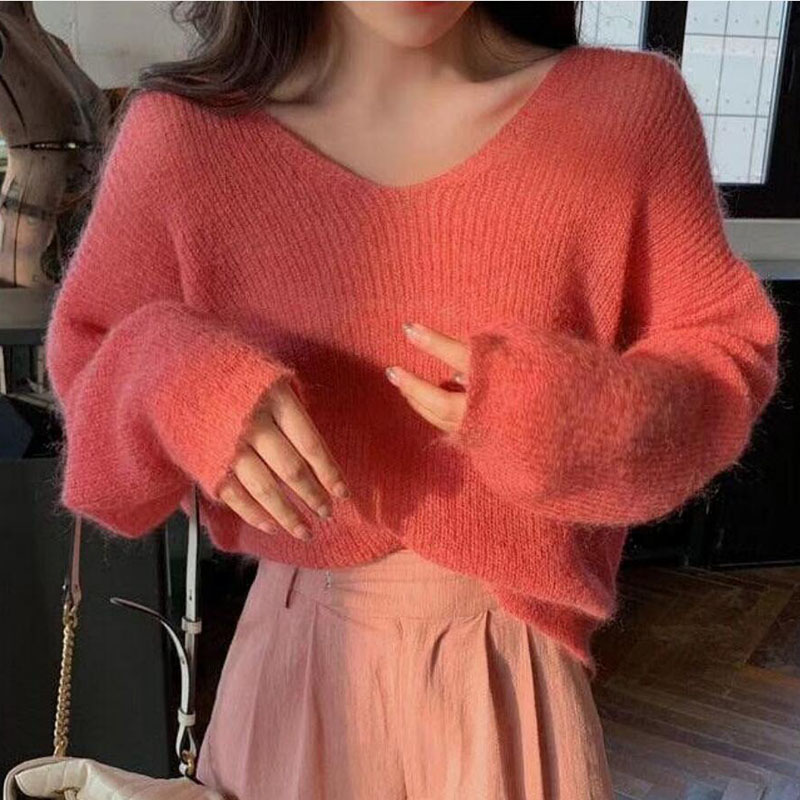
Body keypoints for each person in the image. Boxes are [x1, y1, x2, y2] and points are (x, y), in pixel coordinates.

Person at [43, 2, 781, 798]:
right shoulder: (186, 137)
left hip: (506, 679)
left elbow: (725, 364)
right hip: (291, 674)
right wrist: (175, 373)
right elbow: (90, 377)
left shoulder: (623, 111)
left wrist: (571, 416)